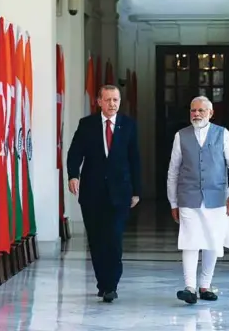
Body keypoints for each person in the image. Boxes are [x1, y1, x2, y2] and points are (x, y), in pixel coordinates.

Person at [66, 85, 141, 303]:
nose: (112, 104)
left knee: (114, 238)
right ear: (99, 101)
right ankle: (103, 282)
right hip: (92, 192)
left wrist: (136, 191)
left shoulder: (128, 125)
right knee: (97, 240)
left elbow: (134, 158)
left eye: (116, 100)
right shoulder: (86, 124)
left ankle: (111, 285)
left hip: (120, 192)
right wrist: (73, 175)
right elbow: (74, 152)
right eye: (107, 100)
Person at [167, 96, 229, 304]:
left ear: (210, 113)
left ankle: (205, 285)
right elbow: (173, 172)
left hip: (217, 198)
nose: (197, 114)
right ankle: (189, 287)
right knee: (190, 241)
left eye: (201, 110)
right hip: (188, 196)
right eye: (193, 110)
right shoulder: (180, 136)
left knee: (212, 241)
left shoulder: (223, 134)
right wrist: (173, 202)